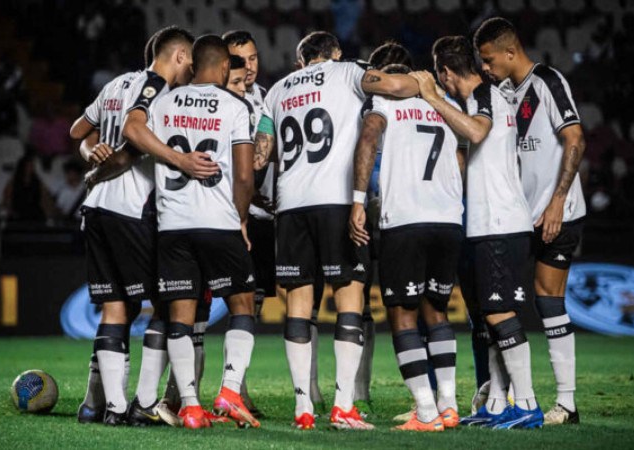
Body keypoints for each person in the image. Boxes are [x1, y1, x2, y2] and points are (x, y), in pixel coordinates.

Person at [255, 31, 426, 430]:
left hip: (291, 205)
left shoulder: (277, 90)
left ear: (301, 61)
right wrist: (425, 84)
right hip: (336, 200)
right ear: (334, 53)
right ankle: (343, 406)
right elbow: (394, 85)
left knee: (299, 308)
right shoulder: (349, 71)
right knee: (349, 301)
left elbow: (262, 153)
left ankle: (302, 408)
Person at [68, 26, 204, 426]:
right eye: (190, 64)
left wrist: (91, 154)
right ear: (178, 56)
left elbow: (78, 132)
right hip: (132, 209)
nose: (191, 73)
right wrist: (179, 160)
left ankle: (110, 408)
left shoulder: (114, 84)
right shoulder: (155, 86)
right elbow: (132, 132)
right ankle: (143, 403)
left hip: (96, 209)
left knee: (115, 307)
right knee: (163, 305)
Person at [414, 35, 543, 429]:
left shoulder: (485, 94)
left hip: (501, 224)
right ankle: (498, 404)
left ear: (446, 72)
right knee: (488, 317)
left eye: (441, 78)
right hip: (484, 225)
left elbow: (476, 133)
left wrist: (431, 98)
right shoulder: (480, 98)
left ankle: (528, 405)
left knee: (501, 315)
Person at [474, 17, 586, 425]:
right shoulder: (503, 92)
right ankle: (501, 399)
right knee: (501, 306)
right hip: (519, 218)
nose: (485, 67)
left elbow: (575, 138)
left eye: (489, 59)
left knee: (548, 300)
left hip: (557, 213)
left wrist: (557, 202)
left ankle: (567, 403)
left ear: (510, 51)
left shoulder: (546, 82)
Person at [149, 34, 258, 430]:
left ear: (193, 65)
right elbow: (244, 174)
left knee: (180, 316)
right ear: (226, 67)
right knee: (243, 304)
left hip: (173, 224)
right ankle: (229, 391)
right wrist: (241, 217)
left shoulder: (162, 102)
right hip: (218, 221)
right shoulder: (235, 105)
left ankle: (191, 407)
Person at [350, 62, 464, 431]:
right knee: (437, 312)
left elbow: (369, 137)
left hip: (406, 221)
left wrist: (357, 199)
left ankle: (426, 413)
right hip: (448, 219)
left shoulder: (384, 103)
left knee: (402, 315)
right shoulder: (444, 103)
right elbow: (460, 160)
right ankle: (448, 405)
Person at [222, 30, 274, 416]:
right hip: (227, 216)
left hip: (262, 219)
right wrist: (250, 193)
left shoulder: (265, 97)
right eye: (241, 60)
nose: (250, 66)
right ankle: (178, 391)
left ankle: (238, 385)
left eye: (254, 58)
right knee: (197, 305)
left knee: (251, 305)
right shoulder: (221, 100)